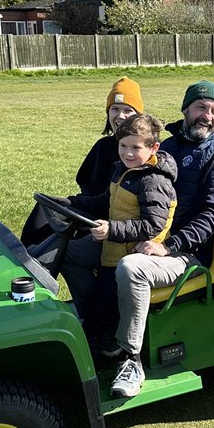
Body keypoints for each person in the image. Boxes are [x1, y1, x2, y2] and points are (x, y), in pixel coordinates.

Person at [110, 80, 214, 399]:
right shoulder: (167, 146)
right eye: (200, 107)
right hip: (154, 238)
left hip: (188, 255)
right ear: (185, 109)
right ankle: (94, 332)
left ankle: (131, 360)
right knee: (82, 247)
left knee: (132, 268)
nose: (207, 116)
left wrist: (168, 246)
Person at [59, 113, 177, 356]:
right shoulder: (124, 170)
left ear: (153, 148)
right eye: (123, 146)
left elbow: (153, 225)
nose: (128, 153)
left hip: (131, 254)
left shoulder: (153, 181)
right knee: (76, 266)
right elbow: (106, 200)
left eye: (135, 147)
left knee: (105, 308)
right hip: (114, 250)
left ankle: (107, 348)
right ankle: (89, 323)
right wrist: (71, 202)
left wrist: (112, 230)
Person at [19, 76, 144, 248]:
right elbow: (87, 188)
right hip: (89, 208)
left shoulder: (140, 153)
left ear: (139, 116)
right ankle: (23, 260)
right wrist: (71, 202)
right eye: (114, 109)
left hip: (114, 222)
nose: (120, 116)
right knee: (45, 209)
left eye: (127, 110)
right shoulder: (102, 146)